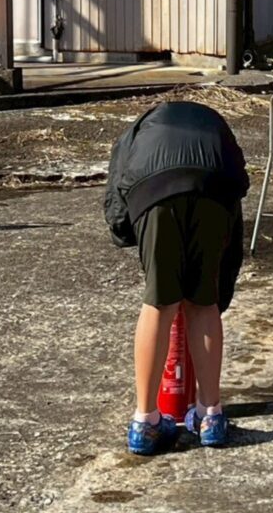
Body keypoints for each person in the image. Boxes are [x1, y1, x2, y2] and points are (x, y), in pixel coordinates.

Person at [103, 101, 248, 455]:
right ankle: (211, 417)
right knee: (203, 303)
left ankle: (146, 422)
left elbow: (117, 192)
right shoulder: (215, 122)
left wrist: (126, 232)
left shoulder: (136, 131)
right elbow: (237, 186)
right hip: (215, 184)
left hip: (154, 186)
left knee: (159, 303)